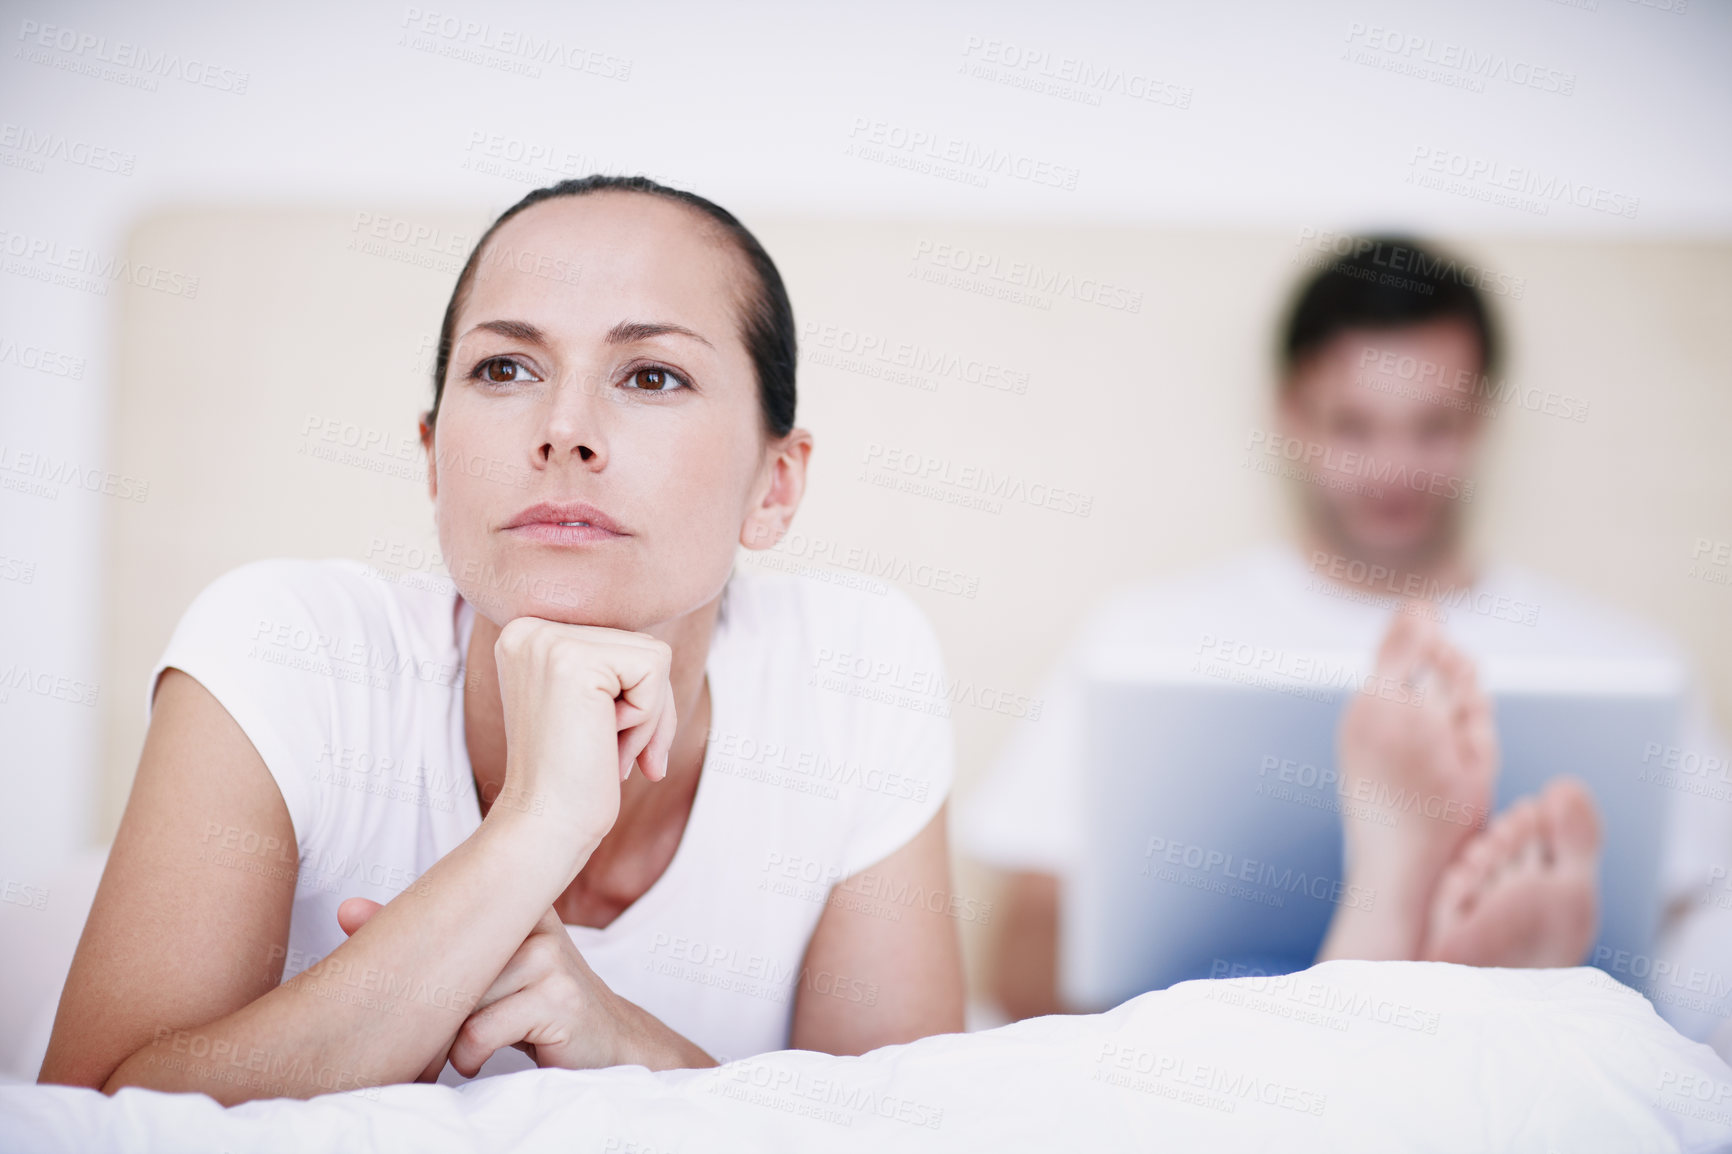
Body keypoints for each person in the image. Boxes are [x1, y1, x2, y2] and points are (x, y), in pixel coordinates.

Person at [39, 176, 967, 1103]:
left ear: (775, 487)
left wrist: (626, 1045)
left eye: (651, 376)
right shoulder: (285, 646)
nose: (564, 430)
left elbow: (902, 1128)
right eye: (505, 369)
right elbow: (89, 1122)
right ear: (433, 458)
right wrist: (532, 832)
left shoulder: (859, 677)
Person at [959, 235, 1731, 1033]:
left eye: (1433, 427)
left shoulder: (1626, 665)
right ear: (1290, 410)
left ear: (1485, 418)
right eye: (1355, 428)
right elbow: (1022, 952)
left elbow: (1701, 937)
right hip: (1205, 1055)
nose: (1395, 467)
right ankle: (1415, 974)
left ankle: (1390, 967)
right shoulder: (1144, 639)